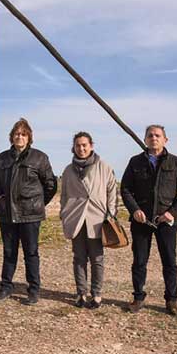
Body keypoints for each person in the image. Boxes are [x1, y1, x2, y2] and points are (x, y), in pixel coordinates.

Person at [120, 124, 177, 316]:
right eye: (150, 135)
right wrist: (135, 209)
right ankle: (138, 298)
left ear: (165, 140)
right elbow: (125, 189)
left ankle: (171, 300)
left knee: (169, 261)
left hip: (166, 221)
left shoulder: (176, 163)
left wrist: (173, 212)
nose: (154, 138)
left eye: (158, 135)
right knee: (139, 261)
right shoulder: (135, 162)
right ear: (145, 139)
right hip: (141, 221)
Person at [0, 118, 57, 305]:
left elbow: (50, 184)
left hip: (30, 215)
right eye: (17, 133)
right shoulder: (2, 158)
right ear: (12, 137)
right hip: (8, 214)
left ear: (29, 137)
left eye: (23, 134)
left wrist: (39, 203)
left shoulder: (39, 158)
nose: (20, 137)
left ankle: (33, 290)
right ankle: (5, 287)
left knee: (31, 252)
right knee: (9, 252)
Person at [59, 132, 117, 309]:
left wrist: (111, 214)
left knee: (97, 258)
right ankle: (81, 293)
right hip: (75, 218)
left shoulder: (103, 167)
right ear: (73, 147)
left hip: (97, 218)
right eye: (78, 145)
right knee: (79, 258)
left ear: (91, 146)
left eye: (84, 145)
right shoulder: (68, 170)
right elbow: (64, 195)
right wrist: (64, 213)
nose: (81, 148)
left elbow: (112, 191)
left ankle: (97, 294)